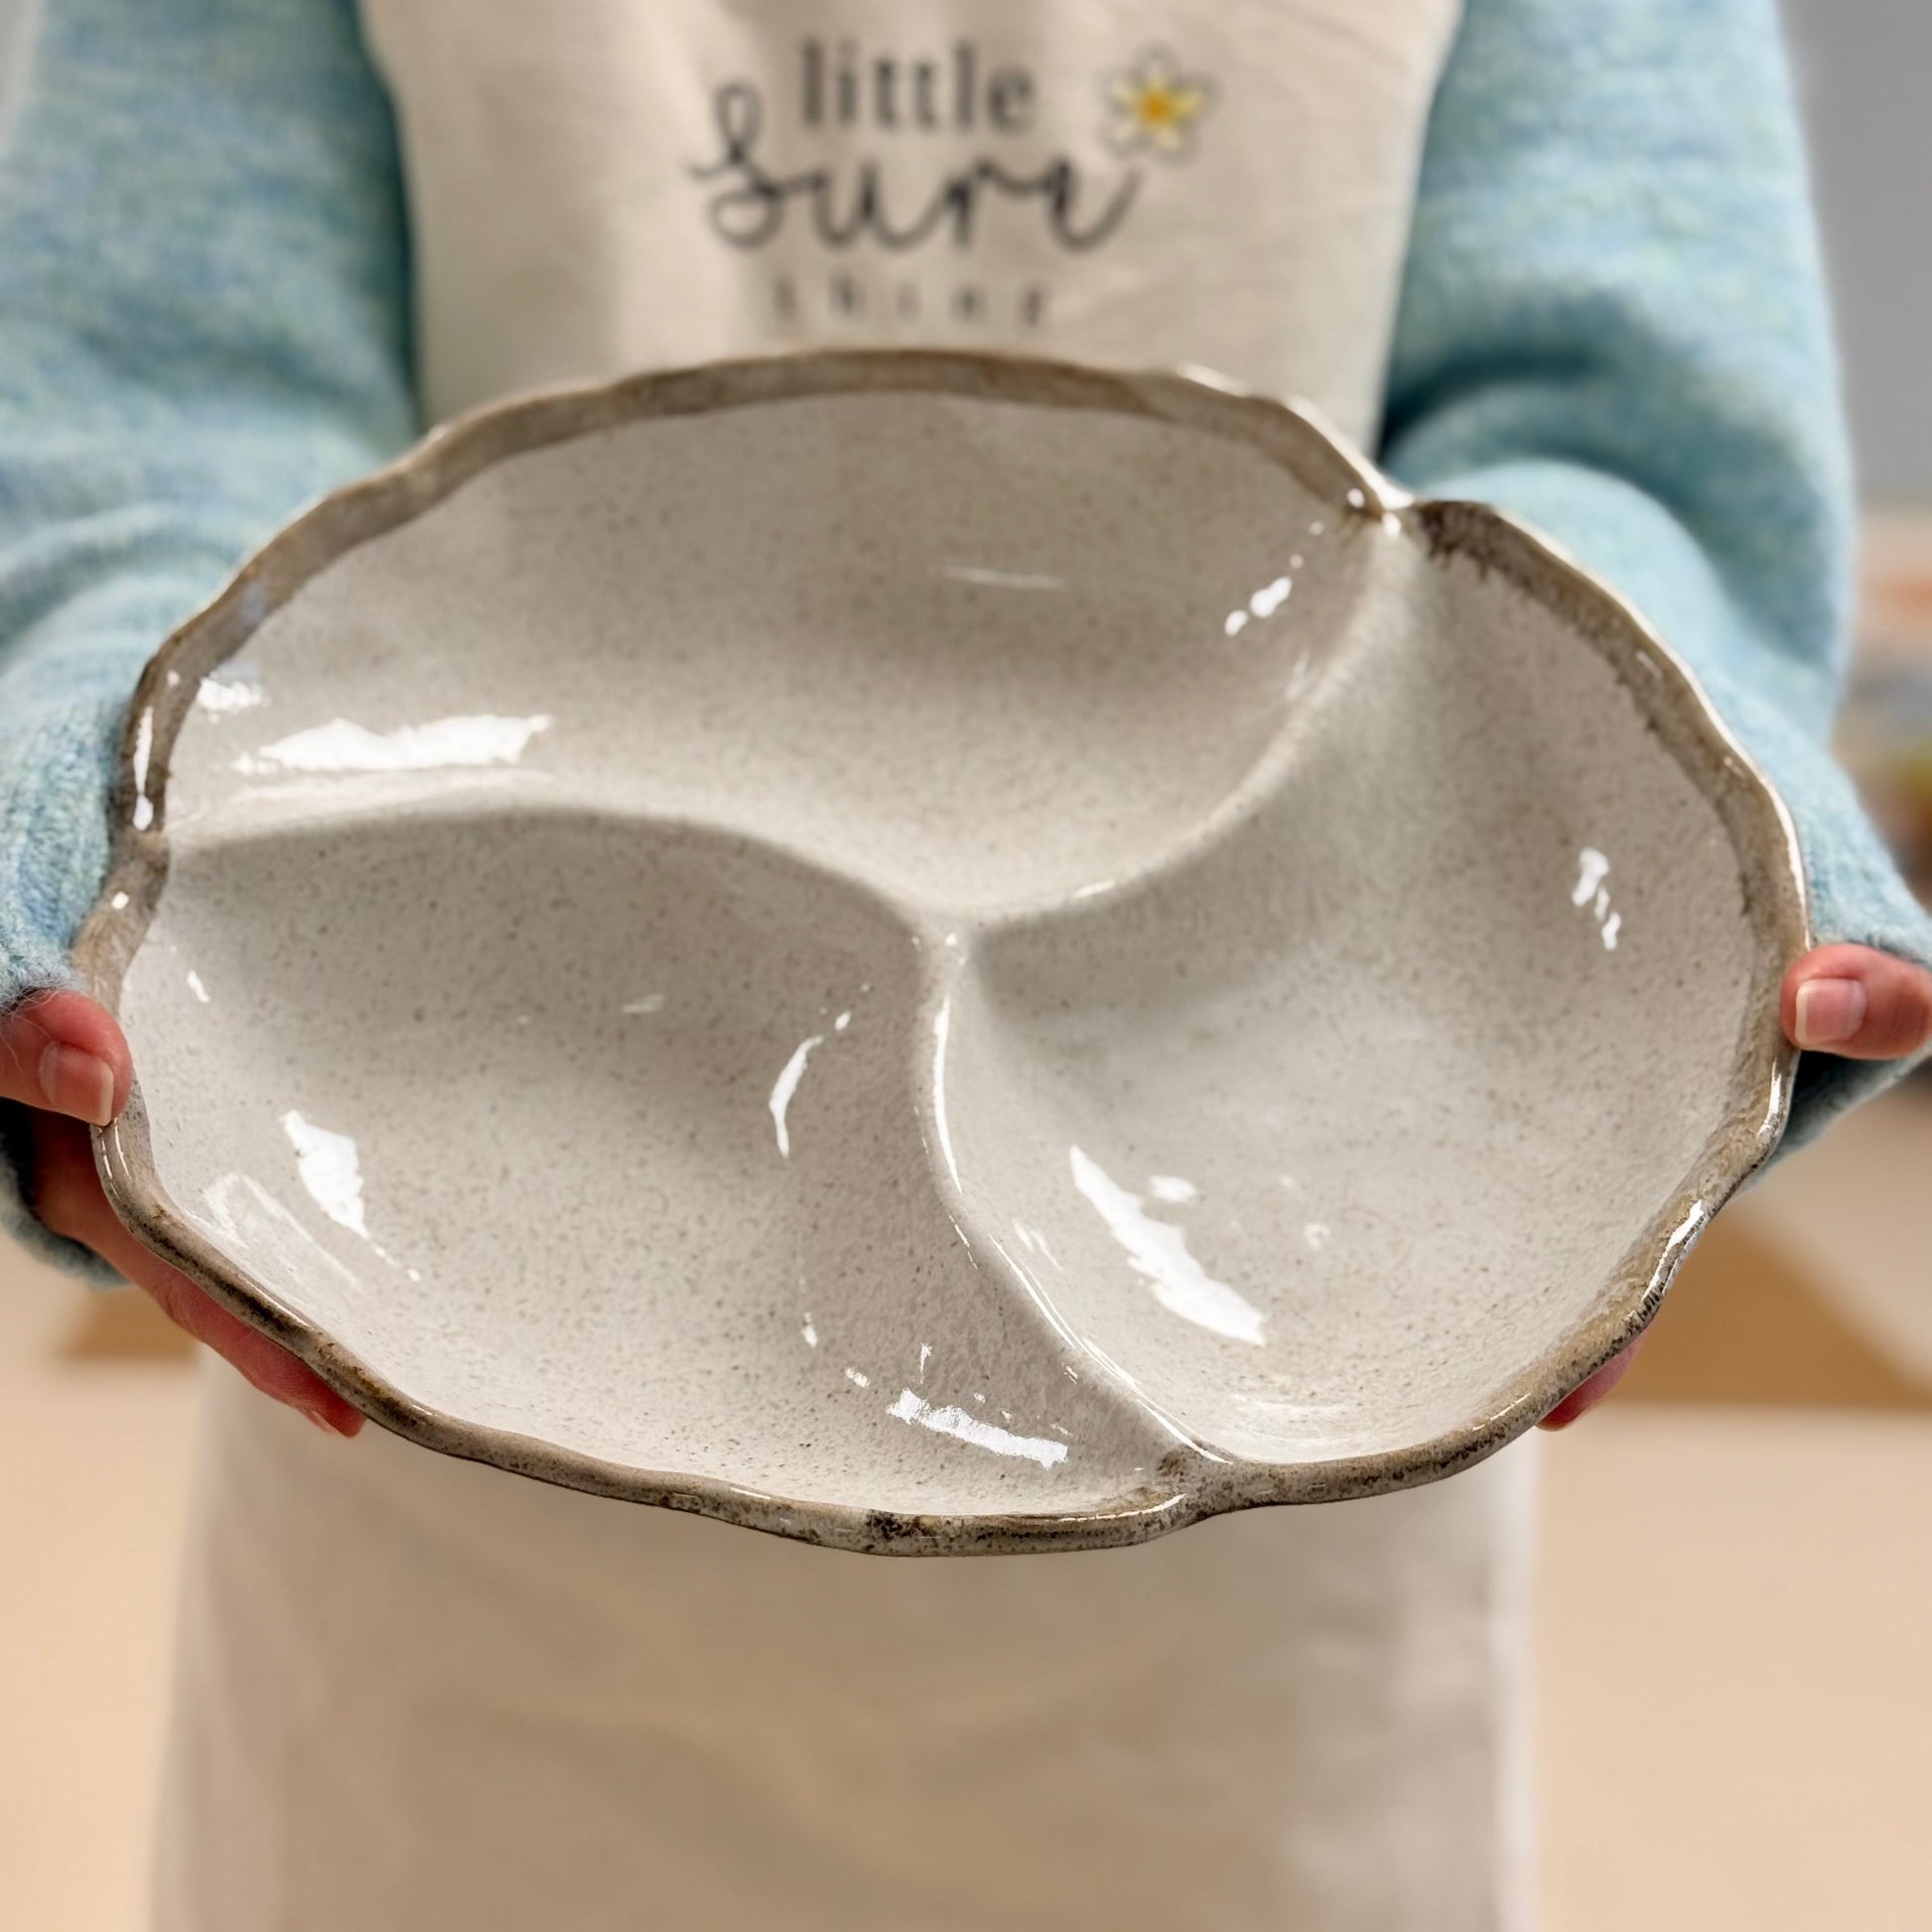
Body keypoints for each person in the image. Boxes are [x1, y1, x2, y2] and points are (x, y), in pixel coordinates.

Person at [2, 1, 1928, 1926]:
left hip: (1279, 1433)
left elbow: (1619, 441)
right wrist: (83, 843)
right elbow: (159, 406)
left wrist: (1690, 844)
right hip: (431, 1370)